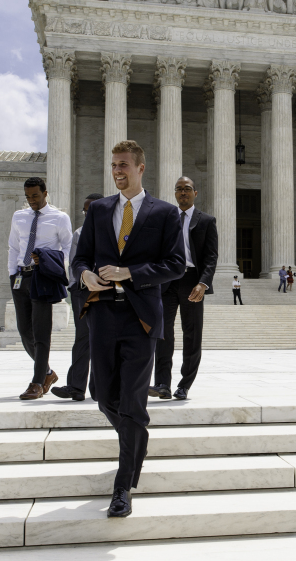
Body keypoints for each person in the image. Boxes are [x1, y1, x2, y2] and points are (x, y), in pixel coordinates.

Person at [72, 139, 185, 519]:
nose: (117, 171)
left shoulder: (165, 213)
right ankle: (136, 438)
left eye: (123, 165)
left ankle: (122, 488)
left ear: (140, 167)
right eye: (113, 166)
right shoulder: (100, 210)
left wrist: (129, 272)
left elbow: (175, 265)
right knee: (103, 395)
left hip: (140, 316)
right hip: (102, 313)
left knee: (133, 400)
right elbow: (81, 257)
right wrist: (85, 274)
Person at [151, 176, 218, 401]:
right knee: (162, 334)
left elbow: (211, 257)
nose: (183, 193)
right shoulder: (166, 219)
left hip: (192, 282)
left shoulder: (206, 221)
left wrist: (203, 282)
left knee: (192, 335)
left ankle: (184, 384)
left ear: (195, 193)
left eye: (187, 189)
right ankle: (161, 383)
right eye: (179, 189)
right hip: (168, 281)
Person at [8, 177, 73, 400]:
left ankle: (36, 383)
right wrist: (11, 273)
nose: (32, 201)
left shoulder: (60, 218)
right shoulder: (19, 216)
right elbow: (13, 246)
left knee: (41, 332)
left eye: (35, 196)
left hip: (43, 276)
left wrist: (48, 260)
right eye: (28, 197)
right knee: (24, 330)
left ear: (45, 193)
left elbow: (68, 248)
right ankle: (46, 372)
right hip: (20, 276)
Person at [53, 192, 104, 402]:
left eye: (91, 208)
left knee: (104, 340)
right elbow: (74, 263)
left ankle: (99, 388)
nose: (87, 213)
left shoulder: (115, 232)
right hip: (82, 291)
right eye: (85, 210)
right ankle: (76, 387)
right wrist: (75, 288)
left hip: (106, 291)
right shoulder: (79, 233)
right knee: (82, 338)